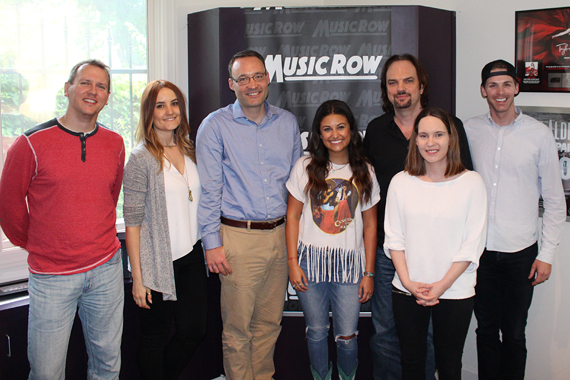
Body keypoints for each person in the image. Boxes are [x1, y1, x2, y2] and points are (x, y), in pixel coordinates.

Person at [0, 59, 125, 379]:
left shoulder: (114, 143)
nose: (92, 90)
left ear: (108, 97)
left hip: (106, 270)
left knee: (108, 363)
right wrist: (39, 243)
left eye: (100, 86)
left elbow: (109, 198)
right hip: (52, 276)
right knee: (46, 371)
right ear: (67, 88)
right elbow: (9, 206)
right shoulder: (30, 143)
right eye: (85, 82)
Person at [362, 54, 473, 380]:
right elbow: (367, 193)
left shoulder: (449, 127)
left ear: (421, 85)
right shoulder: (376, 130)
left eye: (408, 80)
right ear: (385, 89)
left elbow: (464, 185)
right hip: (389, 254)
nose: (401, 88)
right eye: (393, 82)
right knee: (385, 332)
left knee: (426, 337)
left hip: (438, 252)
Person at [196, 49, 302, 379]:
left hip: (281, 237)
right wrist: (211, 243)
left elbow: (298, 188)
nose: (252, 84)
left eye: (257, 76)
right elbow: (209, 189)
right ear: (232, 84)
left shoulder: (287, 123)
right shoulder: (215, 126)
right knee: (238, 329)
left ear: (267, 78)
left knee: (269, 324)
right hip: (237, 239)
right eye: (243, 79)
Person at [465, 59, 566, 380]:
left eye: (507, 84)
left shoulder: (538, 135)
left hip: (522, 254)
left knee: (514, 334)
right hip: (479, 254)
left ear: (517, 88)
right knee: (484, 331)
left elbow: (554, 199)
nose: (500, 91)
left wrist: (546, 255)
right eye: (493, 85)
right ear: (483, 90)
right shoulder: (468, 130)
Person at [384, 107, 487, 380]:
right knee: (412, 363)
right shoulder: (400, 182)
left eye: (438, 135)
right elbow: (394, 239)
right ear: (415, 141)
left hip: (456, 290)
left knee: (450, 365)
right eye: (424, 135)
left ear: (451, 139)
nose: (431, 143)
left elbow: (472, 244)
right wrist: (407, 282)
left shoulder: (472, 183)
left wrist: (441, 286)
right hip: (408, 289)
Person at [286, 100, 380, 380]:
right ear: (318, 134)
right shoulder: (305, 166)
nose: (334, 134)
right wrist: (293, 263)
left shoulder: (365, 170)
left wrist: (369, 272)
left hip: (350, 268)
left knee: (348, 337)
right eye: (327, 129)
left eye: (340, 127)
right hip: (310, 265)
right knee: (315, 332)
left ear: (352, 130)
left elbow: (371, 225)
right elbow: (292, 218)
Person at [123, 80, 207, 380]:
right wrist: (138, 277)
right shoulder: (140, 158)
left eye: (174, 104)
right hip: (157, 261)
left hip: (192, 257)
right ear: (149, 113)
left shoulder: (189, 149)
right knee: (154, 336)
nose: (169, 111)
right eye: (160, 105)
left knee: (194, 331)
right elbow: (131, 223)